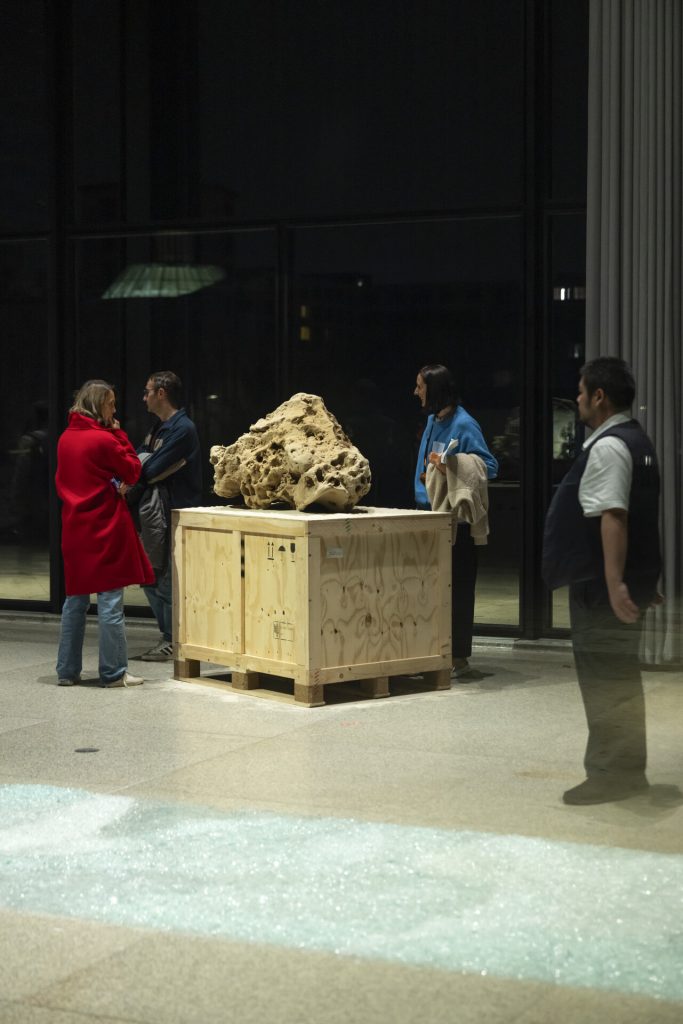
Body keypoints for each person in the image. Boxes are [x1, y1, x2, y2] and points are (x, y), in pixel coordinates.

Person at [542, 357, 662, 805]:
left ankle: (611, 774)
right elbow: (645, 516)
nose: (576, 400)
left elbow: (614, 516)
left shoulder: (609, 446)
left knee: (604, 679)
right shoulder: (639, 441)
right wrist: (644, 575)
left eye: (580, 392)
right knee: (621, 676)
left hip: (601, 588)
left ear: (599, 396)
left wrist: (615, 583)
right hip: (628, 581)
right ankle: (628, 771)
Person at [55, 380, 154, 687]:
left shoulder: (65, 438)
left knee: (75, 602)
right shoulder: (104, 439)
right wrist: (117, 432)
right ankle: (112, 673)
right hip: (105, 527)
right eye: (111, 403)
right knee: (110, 602)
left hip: (74, 528)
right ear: (98, 405)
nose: (115, 409)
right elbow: (133, 471)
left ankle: (66, 672)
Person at [414, 364, 498, 678]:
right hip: (428, 516)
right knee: (431, 589)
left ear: (434, 389)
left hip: (455, 522)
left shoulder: (464, 424)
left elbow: (489, 466)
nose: (416, 392)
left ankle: (459, 656)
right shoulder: (431, 421)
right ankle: (434, 650)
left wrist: (451, 465)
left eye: (420, 386)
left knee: (458, 588)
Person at [135, 371, 202, 661]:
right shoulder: (158, 428)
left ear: (161, 393)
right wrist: (142, 465)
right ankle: (168, 636)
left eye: (148, 391)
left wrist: (142, 465)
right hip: (154, 514)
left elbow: (146, 470)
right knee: (150, 576)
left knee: (165, 581)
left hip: (174, 513)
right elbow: (135, 462)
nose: (144, 397)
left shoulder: (183, 429)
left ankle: (173, 639)